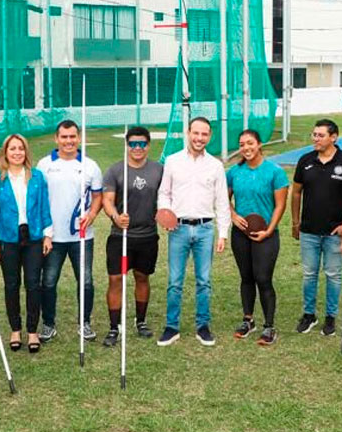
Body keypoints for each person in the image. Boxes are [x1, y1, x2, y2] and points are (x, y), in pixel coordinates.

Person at [156, 117, 230, 347]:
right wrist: (165, 213)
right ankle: (171, 327)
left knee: (204, 281)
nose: (199, 138)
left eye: (204, 134)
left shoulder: (216, 165)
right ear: (188, 133)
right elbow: (164, 193)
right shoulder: (172, 161)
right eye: (196, 133)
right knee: (175, 281)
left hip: (205, 229)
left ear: (209, 136)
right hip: (178, 229)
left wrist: (223, 233)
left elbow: (222, 200)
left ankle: (203, 326)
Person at [37, 120, 102, 342]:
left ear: (79, 137)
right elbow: (37, 199)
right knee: (48, 281)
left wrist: (92, 215)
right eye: (64, 137)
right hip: (52, 237)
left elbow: (97, 197)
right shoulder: (44, 165)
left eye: (73, 136)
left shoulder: (90, 165)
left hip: (82, 237)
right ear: (57, 139)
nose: (69, 141)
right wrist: (45, 231)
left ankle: (84, 323)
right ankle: (48, 323)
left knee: (85, 281)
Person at [0, 134, 52, 353]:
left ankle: (32, 331)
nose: (17, 152)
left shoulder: (37, 177)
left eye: (21, 148)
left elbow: (44, 207)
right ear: (5, 152)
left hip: (33, 237)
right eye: (12, 149)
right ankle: (15, 329)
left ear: (26, 152)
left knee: (33, 284)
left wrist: (48, 235)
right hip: (8, 238)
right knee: (11, 284)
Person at [291, 119, 342, 337]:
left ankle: (330, 317)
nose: (315, 139)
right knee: (309, 274)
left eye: (320, 135)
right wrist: (295, 222)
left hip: (334, 233)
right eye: (314, 135)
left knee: (333, 275)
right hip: (308, 231)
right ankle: (309, 315)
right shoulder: (305, 160)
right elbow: (296, 192)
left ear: (333, 137)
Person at [101, 127, 163, 346]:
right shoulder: (115, 170)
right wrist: (116, 217)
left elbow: (167, 198)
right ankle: (114, 327)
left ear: (148, 145)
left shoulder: (158, 170)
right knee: (116, 279)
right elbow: (107, 200)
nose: (138, 148)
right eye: (133, 144)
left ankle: (141, 321)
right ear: (127, 145)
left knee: (142, 277)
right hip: (121, 236)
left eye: (142, 144)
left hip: (147, 236)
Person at [227, 129, 289, 346]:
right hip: (241, 234)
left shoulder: (275, 172)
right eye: (242, 144)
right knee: (246, 277)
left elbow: (280, 205)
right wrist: (233, 215)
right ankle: (248, 320)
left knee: (263, 278)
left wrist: (269, 230)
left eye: (250, 143)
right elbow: (223, 199)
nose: (246, 148)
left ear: (259, 144)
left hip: (266, 234)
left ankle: (269, 326)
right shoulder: (234, 172)